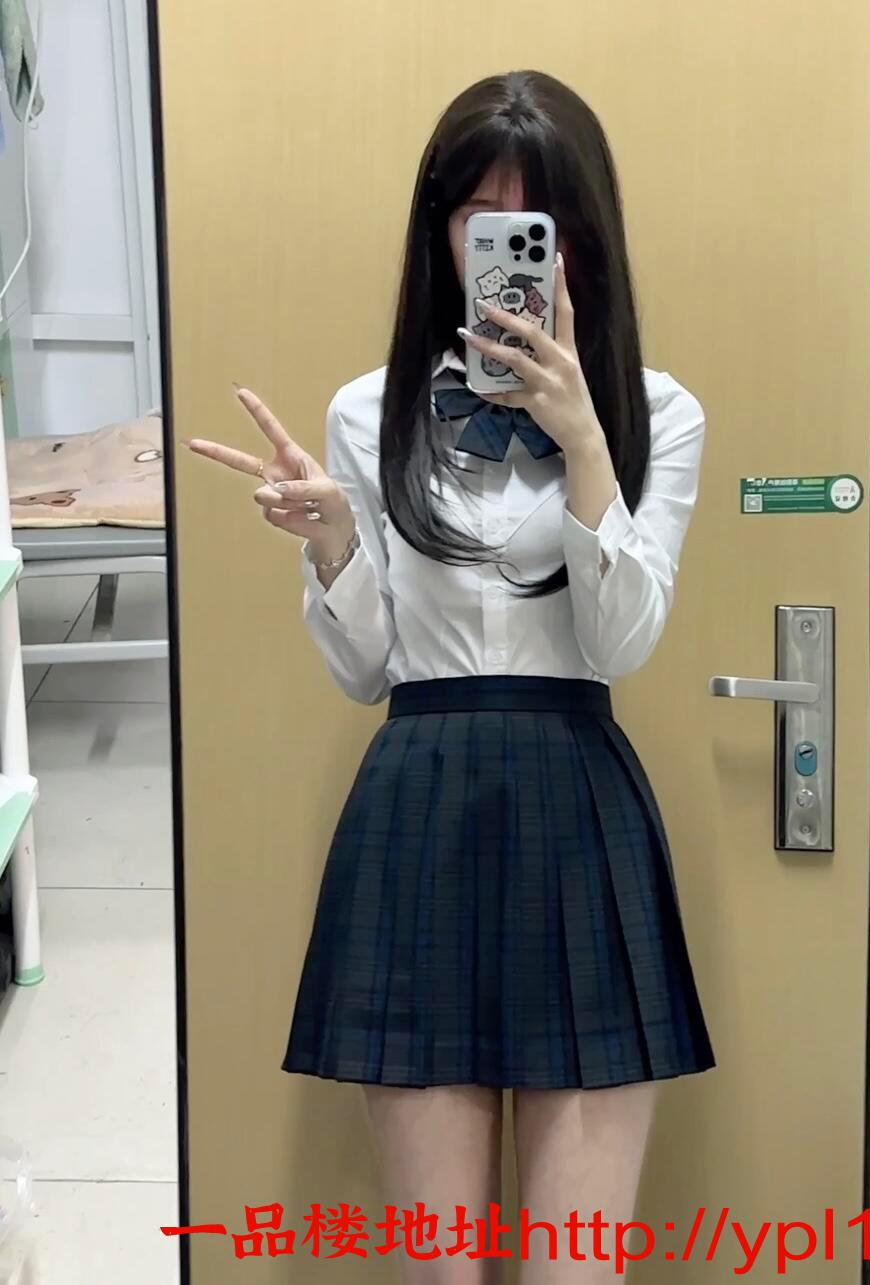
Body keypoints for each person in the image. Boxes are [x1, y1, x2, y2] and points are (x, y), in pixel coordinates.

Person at [189, 69, 714, 1283]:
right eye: (482, 221)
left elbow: (622, 644)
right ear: (442, 234)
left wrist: (584, 437)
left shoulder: (658, 413)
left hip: (580, 814)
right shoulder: (368, 411)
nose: (511, 250)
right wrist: (332, 540)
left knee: (577, 1269)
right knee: (441, 1269)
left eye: (539, 225)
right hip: (416, 810)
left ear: (584, 240)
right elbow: (368, 670)